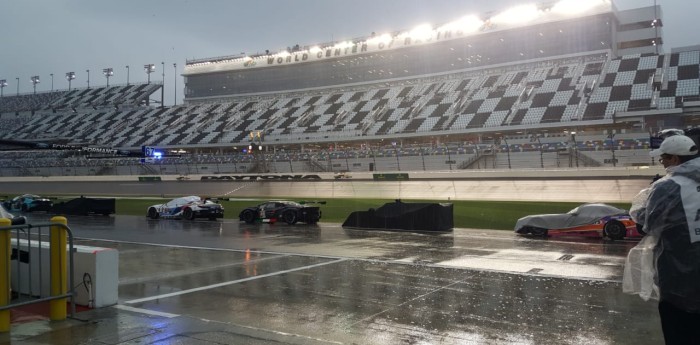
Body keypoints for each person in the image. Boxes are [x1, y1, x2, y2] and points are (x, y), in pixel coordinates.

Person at [627, 135, 700, 344]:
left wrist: (651, 197)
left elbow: (645, 226)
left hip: (679, 280)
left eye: (664, 159)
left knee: (679, 333)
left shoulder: (667, 187)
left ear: (675, 159)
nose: (663, 164)